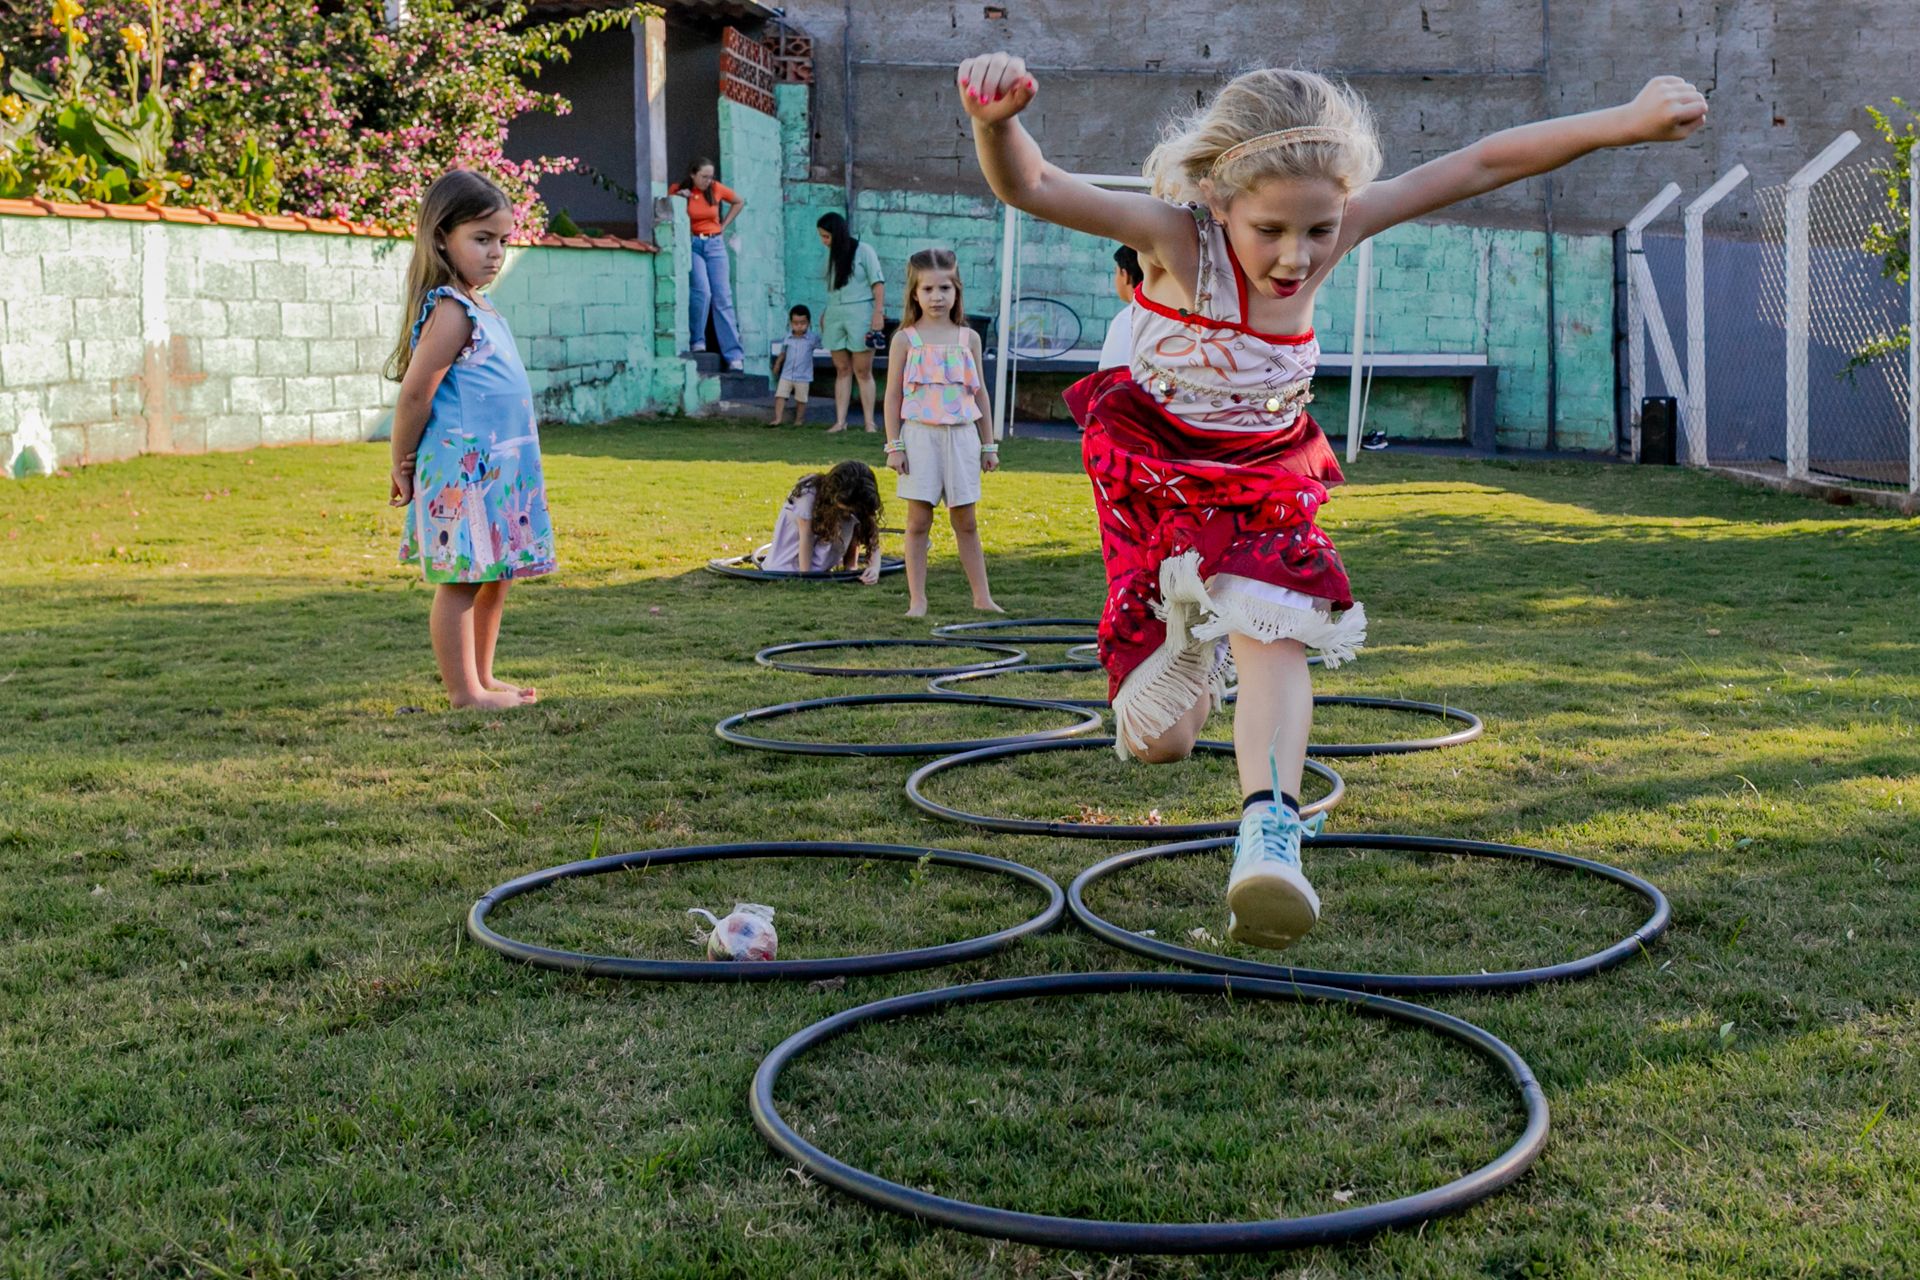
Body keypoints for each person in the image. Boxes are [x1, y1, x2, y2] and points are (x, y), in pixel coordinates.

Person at [958, 51, 1706, 949]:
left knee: (1276, 629)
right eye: (1271, 229)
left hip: (1265, 477)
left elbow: (1481, 164)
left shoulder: (1337, 229)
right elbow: (1032, 184)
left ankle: (1269, 831)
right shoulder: (1172, 240)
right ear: (1219, 201)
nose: (1297, 256)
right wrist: (995, 124)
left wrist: (1622, 119)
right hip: (1152, 485)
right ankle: (1190, 635)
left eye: (1318, 231)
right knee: (1159, 742)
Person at [385, 169, 557, 711]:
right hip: (462, 471)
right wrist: (400, 461)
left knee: (495, 575)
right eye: (481, 239)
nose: (496, 253)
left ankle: (483, 677)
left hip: (501, 473)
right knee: (461, 578)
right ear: (442, 237)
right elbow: (416, 396)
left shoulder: (483, 307)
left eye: (503, 240)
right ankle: (465, 693)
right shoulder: (452, 310)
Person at [883, 247, 1000, 618]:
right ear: (915, 294)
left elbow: (979, 393)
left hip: (962, 437)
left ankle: (982, 597)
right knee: (918, 521)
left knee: (965, 520)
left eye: (944, 289)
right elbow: (892, 396)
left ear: (957, 290)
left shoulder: (969, 339)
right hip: (919, 438)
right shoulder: (906, 339)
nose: (937, 297)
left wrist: (988, 444)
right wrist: (894, 445)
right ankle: (917, 599)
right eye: (928, 289)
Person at [669, 158, 746, 372]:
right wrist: (679, 199)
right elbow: (667, 213)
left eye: (710, 176)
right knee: (702, 292)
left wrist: (723, 225)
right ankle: (697, 340)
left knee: (723, 297)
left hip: (715, 244)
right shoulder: (679, 190)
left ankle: (734, 355)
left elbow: (739, 201)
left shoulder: (715, 188)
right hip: (693, 244)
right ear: (693, 174)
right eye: (703, 176)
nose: (707, 180)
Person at [815, 212, 887, 433]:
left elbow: (878, 284)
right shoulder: (830, 257)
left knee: (862, 369)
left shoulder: (864, 251)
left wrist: (878, 313)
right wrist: (826, 312)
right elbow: (832, 287)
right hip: (836, 312)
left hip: (861, 311)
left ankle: (869, 422)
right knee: (842, 368)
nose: (824, 241)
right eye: (822, 236)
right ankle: (840, 422)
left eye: (826, 236)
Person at [758, 461, 885, 582]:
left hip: (822, 568)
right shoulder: (808, 493)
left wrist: (874, 568)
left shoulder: (857, 499)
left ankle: (850, 565)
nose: (848, 513)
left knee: (852, 520)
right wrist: (806, 576)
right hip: (786, 566)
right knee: (847, 519)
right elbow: (806, 537)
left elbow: (869, 531)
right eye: (846, 508)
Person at [769, 305, 821, 427]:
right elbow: (783, 352)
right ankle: (778, 418)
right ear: (791, 323)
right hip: (786, 374)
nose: (799, 326)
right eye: (795, 323)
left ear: (808, 323)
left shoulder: (812, 338)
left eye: (802, 323)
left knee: (801, 399)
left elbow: (822, 346)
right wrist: (777, 364)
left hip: (803, 375)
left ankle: (799, 419)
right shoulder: (788, 337)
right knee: (780, 395)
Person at [1097, 244, 1144, 370]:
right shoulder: (1162, 315)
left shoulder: (1126, 319)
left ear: (1125, 275)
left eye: (1115, 272)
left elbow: (1108, 375)